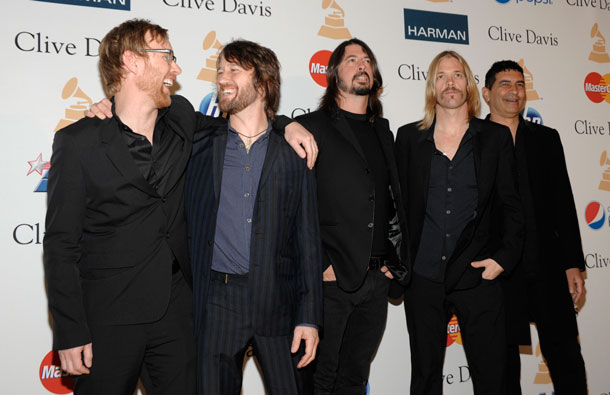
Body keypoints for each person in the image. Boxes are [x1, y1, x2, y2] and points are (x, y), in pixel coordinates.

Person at [45, 19, 316, 395]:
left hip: (176, 320)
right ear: (132, 62)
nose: (177, 68)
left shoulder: (182, 118)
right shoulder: (78, 142)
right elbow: (61, 244)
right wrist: (70, 329)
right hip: (109, 320)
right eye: (168, 57)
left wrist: (287, 124)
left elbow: (243, 119)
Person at [184, 39, 323, 395]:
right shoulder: (200, 143)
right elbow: (155, 109)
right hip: (217, 303)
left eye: (233, 70)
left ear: (263, 83)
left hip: (279, 304)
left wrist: (309, 317)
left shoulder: (294, 152)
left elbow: (308, 240)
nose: (222, 78)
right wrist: (107, 105)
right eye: (219, 71)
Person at [394, 50, 524, 395]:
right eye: (441, 76)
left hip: (478, 275)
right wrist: (395, 260)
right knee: (424, 377)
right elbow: (396, 206)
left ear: (468, 84)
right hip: (423, 276)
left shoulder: (495, 138)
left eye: (457, 75)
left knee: (492, 378)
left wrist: (503, 259)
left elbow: (513, 206)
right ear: (431, 87)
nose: (449, 82)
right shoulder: (408, 139)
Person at [296, 38, 409, 395]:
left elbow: (393, 202)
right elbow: (297, 205)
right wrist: (322, 264)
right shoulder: (311, 126)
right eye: (351, 60)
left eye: (367, 60)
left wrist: (393, 262)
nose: (362, 65)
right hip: (330, 281)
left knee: (355, 381)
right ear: (333, 74)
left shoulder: (384, 131)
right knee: (319, 382)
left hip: (376, 281)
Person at [482, 60, 588, 395]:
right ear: (486, 93)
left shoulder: (546, 139)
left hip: (547, 264)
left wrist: (573, 262)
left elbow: (563, 203)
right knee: (501, 366)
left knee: (567, 358)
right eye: (504, 84)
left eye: (519, 84)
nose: (514, 91)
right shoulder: (472, 140)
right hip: (497, 269)